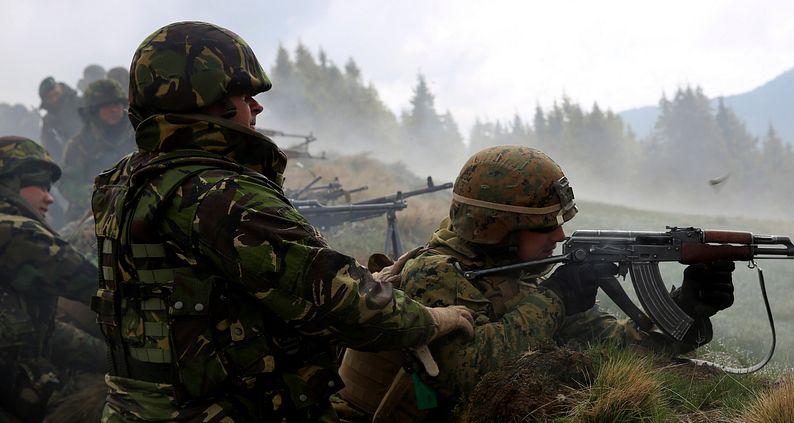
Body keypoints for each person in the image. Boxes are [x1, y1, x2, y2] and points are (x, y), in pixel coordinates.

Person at [90, 21, 475, 422]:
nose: (256, 107)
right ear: (210, 101)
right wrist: (433, 319)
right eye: (244, 95)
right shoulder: (219, 194)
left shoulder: (122, 181)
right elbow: (343, 305)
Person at [336, 145, 737, 421]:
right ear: (497, 228)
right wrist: (555, 300)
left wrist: (686, 307)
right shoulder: (434, 273)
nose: (559, 237)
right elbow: (457, 376)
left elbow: (618, 350)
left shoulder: (520, 283)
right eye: (544, 226)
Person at [0, 136, 105, 422]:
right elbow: (91, 285)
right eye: (41, 185)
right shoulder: (16, 230)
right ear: (10, 182)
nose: (49, 197)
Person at [61, 79, 134, 221]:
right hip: (93, 213)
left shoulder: (138, 133)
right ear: (94, 110)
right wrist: (98, 193)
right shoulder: (79, 144)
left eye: (116, 103)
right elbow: (67, 184)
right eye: (105, 106)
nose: (113, 109)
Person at [37, 77, 83, 164]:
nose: (55, 99)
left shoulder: (81, 104)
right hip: (66, 164)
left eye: (56, 94)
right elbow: (48, 146)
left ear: (61, 89)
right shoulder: (48, 121)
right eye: (50, 97)